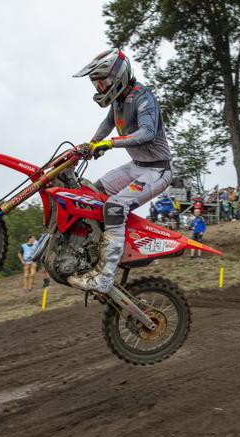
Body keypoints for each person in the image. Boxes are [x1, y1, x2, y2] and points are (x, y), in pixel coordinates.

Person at [70, 49, 172, 292]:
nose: (99, 87)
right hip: (136, 166)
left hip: (156, 171)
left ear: (118, 76)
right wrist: (91, 144)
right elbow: (108, 124)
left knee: (115, 206)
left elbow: (147, 132)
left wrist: (111, 143)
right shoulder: (118, 100)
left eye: (102, 82)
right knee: (93, 191)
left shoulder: (143, 97)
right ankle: (95, 252)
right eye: (97, 83)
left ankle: (105, 276)